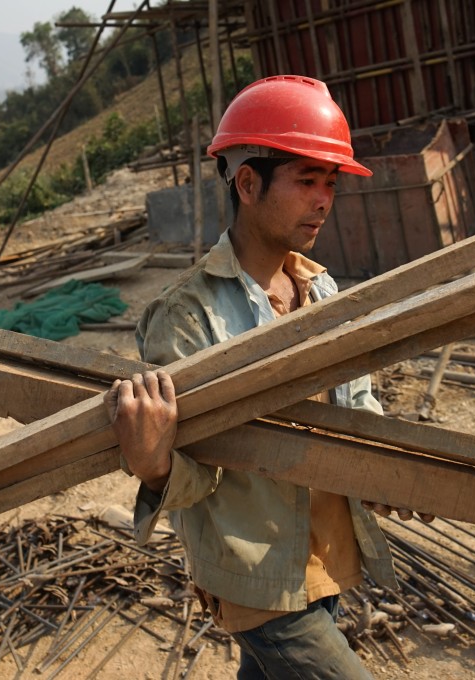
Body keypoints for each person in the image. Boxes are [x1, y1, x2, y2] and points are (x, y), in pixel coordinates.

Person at [103, 75, 432, 680]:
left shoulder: (323, 291)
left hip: (325, 557)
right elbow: (194, 470)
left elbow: (356, 406)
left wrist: (393, 469)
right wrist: (153, 465)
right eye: (307, 180)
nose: (323, 200)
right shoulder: (188, 315)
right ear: (248, 183)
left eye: (330, 183)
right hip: (256, 579)